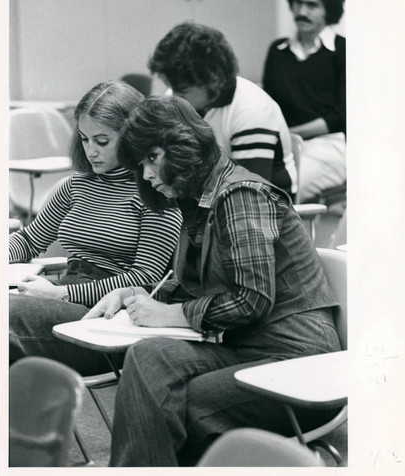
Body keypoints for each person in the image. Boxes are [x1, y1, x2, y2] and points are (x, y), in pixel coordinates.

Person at [83, 95, 342, 466]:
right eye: (141, 164)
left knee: (180, 402)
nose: (147, 175)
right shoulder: (198, 199)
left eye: (152, 158)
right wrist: (133, 294)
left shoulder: (242, 195)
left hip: (297, 361)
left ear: (182, 146)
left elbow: (252, 300)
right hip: (250, 346)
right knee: (149, 356)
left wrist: (169, 315)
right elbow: (193, 287)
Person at [9, 81, 182, 376]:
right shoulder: (77, 184)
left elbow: (147, 279)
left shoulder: (155, 189)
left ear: (132, 137)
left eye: (102, 141)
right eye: (85, 139)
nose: (91, 151)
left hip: (110, 316)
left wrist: (62, 295)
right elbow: (28, 239)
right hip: (66, 295)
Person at [147, 22, 297, 198]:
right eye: (170, 85)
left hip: (265, 208)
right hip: (208, 197)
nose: (173, 96)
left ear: (213, 80)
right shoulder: (181, 96)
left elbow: (249, 194)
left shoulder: (251, 111)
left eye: (183, 90)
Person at [262, 0, 346, 203]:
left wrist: (290, 134)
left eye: (312, 5)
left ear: (329, 10)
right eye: (298, 3)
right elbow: (269, 103)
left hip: (328, 145)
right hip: (284, 143)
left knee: (281, 190)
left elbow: (341, 117)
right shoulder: (278, 50)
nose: (301, 12)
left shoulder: (344, 51)